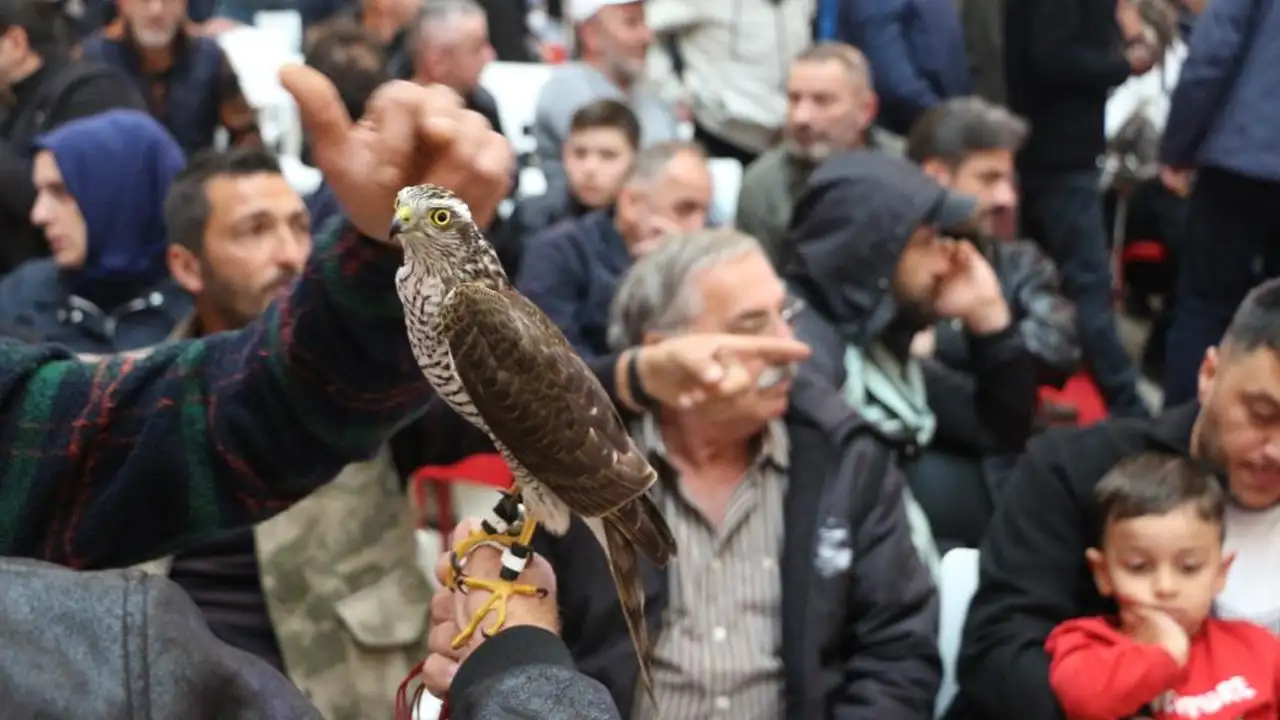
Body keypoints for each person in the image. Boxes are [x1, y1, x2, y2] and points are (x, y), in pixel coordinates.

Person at [537, 228, 939, 719]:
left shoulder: (843, 455)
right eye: (752, 326)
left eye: (785, 316)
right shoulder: (581, 467)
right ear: (664, 356)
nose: (791, 348)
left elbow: (899, 652)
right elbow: (533, 655)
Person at [955, 279, 1280, 720]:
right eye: (1263, 416)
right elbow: (997, 658)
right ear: (1208, 375)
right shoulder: (1080, 469)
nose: (1275, 450)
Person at [1045, 452, 1280, 720]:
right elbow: (1084, 701)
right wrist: (1161, 655)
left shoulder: (1258, 647)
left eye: (1189, 567)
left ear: (1220, 573)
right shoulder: (1086, 644)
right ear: (1103, 573)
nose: (1165, 587)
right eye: (1139, 567)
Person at [1159, 0, 1280, 405]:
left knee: (1203, 308)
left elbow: (1210, 59)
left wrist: (1178, 148)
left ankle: (1181, 440)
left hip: (1241, 159)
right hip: (1245, 153)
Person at [0, 110, 193, 355]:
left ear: (122, 194)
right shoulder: (19, 300)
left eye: (59, 191)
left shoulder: (204, 309)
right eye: (39, 193)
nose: (39, 215)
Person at [0, 0, 146, 273]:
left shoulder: (89, 92)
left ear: (16, 43)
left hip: (90, 283)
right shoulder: (12, 108)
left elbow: (79, 198)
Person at [80, 0, 261, 156]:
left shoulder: (209, 57)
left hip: (193, 185)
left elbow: (246, 135)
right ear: (123, 4)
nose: (156, 10)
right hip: (117, 186)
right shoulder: (92, 59)